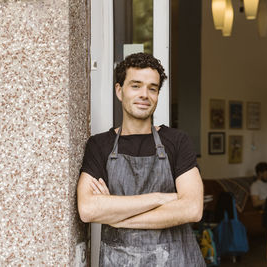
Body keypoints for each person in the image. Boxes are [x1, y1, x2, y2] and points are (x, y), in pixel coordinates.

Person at [77, 53, 206, 266]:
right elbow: (88, 209)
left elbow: (192, 208)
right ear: (120, 91)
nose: (144, 94)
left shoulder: (177, 141)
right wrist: (161, 198)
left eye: (152, 88)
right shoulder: (100, 145)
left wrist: (115, 216)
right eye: (136, 86)